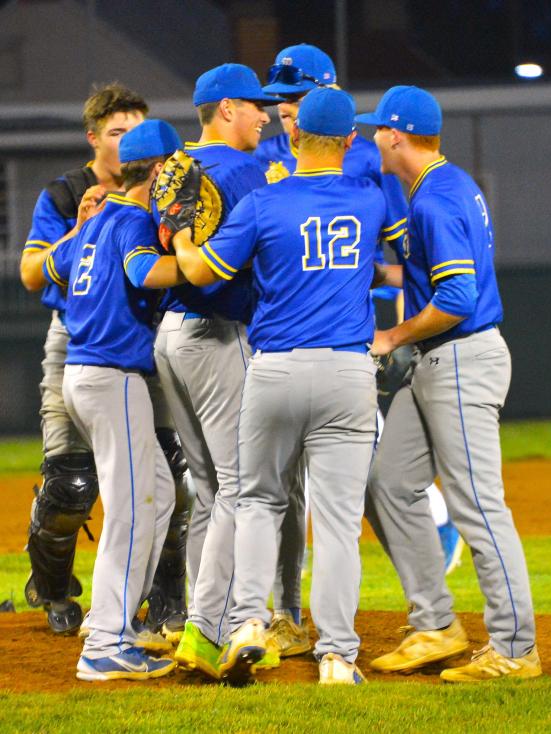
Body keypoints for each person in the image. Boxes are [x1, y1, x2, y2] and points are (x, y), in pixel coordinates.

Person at [253, 44, 463, 661]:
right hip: (277, 341)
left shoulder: (366, 162)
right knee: (289, 492)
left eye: (293, 100)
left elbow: (403, 260)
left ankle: (419, 612)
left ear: (325, 96)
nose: (284, 111)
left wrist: (399, 329)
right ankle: (287, 616)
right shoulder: (272, 154)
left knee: (358, 489)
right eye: (278, 102)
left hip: (349, 345)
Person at [172, 87, 386, 685]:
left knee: (259, 503)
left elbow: (200, 272)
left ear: (292, 137)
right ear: (351, 141)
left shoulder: (264, 203)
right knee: (339, 521)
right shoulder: (369, 200)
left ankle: (246, 626)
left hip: (274, 372)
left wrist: (181, 230)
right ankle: (338, 657)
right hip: (347, 372)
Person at [356, 86, 541, 682]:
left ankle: (516, 648)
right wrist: (372, 272)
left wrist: (393, 336)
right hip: (439, 363)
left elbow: (458, 297)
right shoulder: (442, 185)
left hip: (459, 358)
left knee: (478, 505)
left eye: (377, 129)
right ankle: (436, 622)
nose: (370, 137)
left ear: (396, 134)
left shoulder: (435, 199)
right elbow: (424, 265)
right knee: (387, 481)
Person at [18, 84, 191, 640]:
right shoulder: (120, 217)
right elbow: (142, 274)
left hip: (96, 367)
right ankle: (106, 634)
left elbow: (62, 268)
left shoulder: (104, 220)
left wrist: (89, 234)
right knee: (128, 503)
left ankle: (136, 612)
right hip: (108, 368)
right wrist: (203, 263)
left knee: (160, 492)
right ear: (161, 168)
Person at [151, 64, 278, 668]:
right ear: (226, 109)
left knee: (208, 491)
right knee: (239, 488)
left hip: (170, 337)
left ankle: (215, 624)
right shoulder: (244, 169)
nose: (266, 115)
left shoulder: (181, 166)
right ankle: (208, 629)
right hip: (218, 336)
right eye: (256, 106)